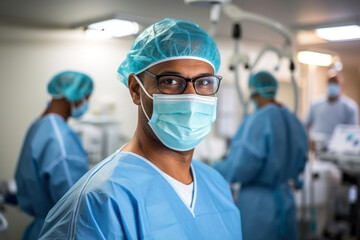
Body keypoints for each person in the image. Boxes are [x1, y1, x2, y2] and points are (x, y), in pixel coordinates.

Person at [39, 18, 242, 239]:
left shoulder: (216, 185)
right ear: (136, 90)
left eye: (204, 82)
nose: (191, 97)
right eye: (171, 82)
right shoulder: (102, 200)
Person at [214, 71, 308, 240]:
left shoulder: (258, 120)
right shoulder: (294, 120)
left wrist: (215, 169)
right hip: (286, 200)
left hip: (259, 205)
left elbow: (241, 166)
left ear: (255, 94)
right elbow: (301, 162)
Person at [15, 70, 94, 240]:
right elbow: (73, 202)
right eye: (87, 97)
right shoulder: (60, 138)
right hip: (58, 232)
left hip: (38, 230)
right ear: (75, 94)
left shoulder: (38, 125)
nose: (86, 103)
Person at [306, 72, 359, 151]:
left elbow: (352, 133)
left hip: (340, 152)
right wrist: (309, 141)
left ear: (342, 86)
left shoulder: (349, 107)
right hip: (317, 149)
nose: (332, 85)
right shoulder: (315, 104)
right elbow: (306, 126)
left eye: (335, 83)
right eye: (330, 82)